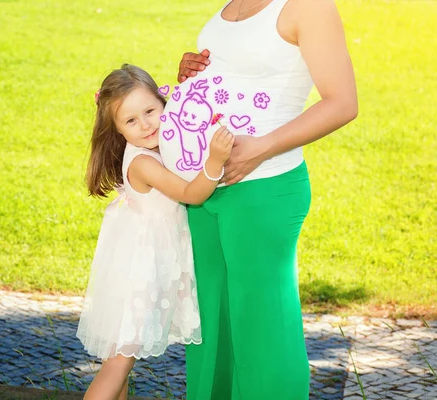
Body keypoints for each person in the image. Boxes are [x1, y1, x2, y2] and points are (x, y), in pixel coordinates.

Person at [166, 0, 358, 398]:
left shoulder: (309, 6)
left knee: (262, 327)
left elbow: (343, 102)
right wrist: (192, 74)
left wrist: (263, 147)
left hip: (263, 187)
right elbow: (238, 72)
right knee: (211, 326)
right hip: (204, 188)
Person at [76, 63, 235, 400]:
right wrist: (215, 162)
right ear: (117, 129)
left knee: (119, 364)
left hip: (135, 265)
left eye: (150, 111)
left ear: (165, 103)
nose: (145, 124)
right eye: (131, 120)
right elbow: (192, 194)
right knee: (118, 364)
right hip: (141, 274)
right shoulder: (144, 163)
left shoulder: (157, 148)